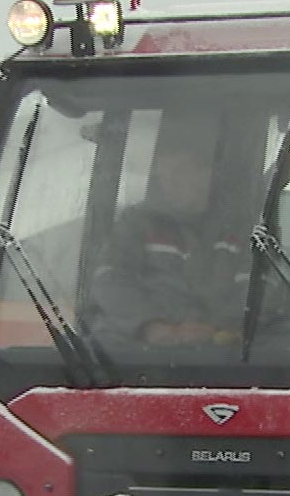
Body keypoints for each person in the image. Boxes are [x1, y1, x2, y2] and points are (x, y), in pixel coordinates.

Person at [84, 145, 252, 348]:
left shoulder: (239, 229)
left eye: (181, 172)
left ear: (207, 174)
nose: (170, 182)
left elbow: (258, 292)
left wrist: (215, 328)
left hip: (224, 358)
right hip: (137, 358)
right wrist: (151, 325)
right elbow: (109, 280)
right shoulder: (135, 224)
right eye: (164, 174)